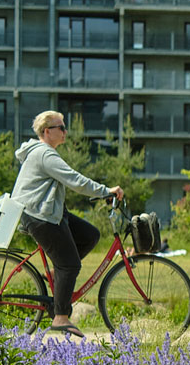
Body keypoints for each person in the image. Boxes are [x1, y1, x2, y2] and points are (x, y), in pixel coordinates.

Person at [11, 110, 124, 338]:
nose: (65, 131)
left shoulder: (44, 152)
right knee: (70, 264)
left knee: (90, 235)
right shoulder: (45, 154)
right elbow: (75, 180)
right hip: (39, 217)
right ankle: (61, 317)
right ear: (46, 132)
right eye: (60, 127)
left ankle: (56, 273)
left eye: (65, 126)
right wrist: (105, 191)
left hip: (49, 212)